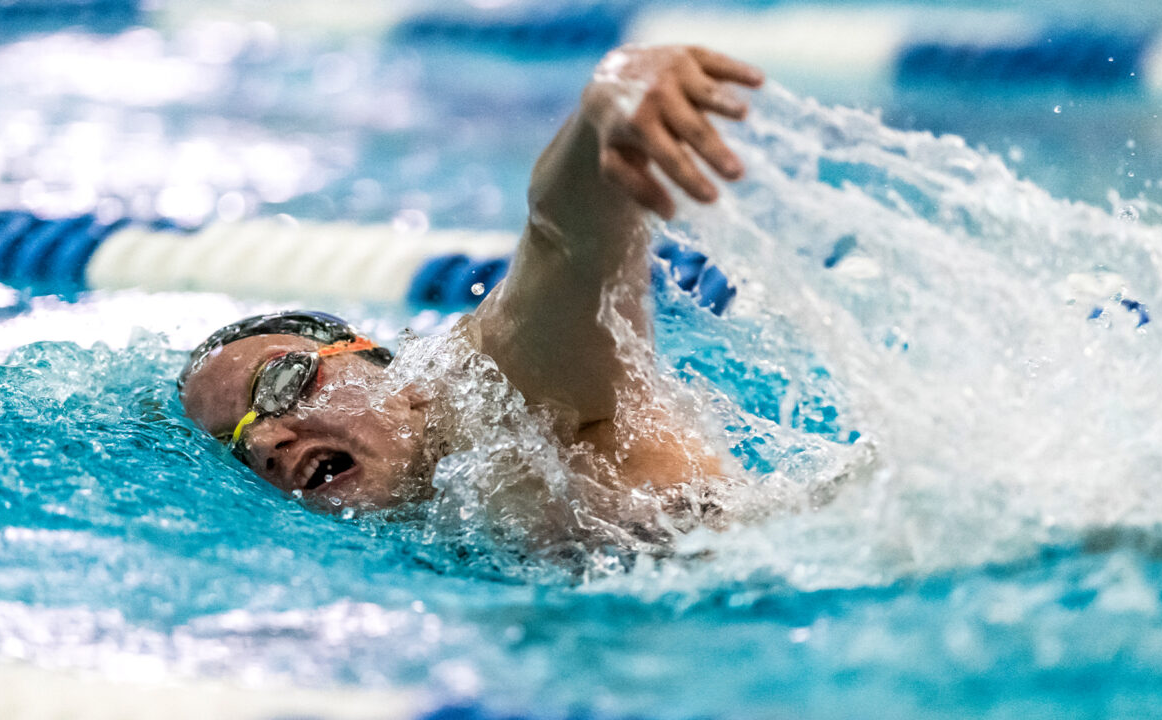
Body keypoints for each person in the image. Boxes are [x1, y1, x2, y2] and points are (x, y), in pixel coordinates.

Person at [178, 45, 765, 530]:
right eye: (237, 444)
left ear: (376, 362)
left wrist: (603, 115)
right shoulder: (437, 513)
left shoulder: (498, 393)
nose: (266, 443)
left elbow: (563, 242)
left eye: (282, 383)